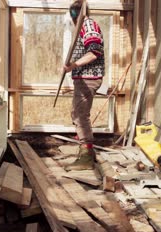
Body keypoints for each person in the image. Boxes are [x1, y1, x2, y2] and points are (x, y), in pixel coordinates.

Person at [63, 0, 105, 171]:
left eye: (73, 14)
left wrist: (73, 65)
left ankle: (86, 155)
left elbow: (94, 52)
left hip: (89, 78)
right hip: (83, 77)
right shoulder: (83, 27)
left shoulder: (88, 25)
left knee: (80, 114)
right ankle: (87, 151)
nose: (72, 18)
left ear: (77, 14)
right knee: (77, 112)